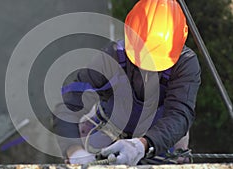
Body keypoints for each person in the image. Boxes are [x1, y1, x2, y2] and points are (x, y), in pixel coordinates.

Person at [53, 0, 201, 165]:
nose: (149, 68)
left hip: (162, 138)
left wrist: (142, 145)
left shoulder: (185, 64)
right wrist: (74, 150)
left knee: (175, 159)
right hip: (110, 130)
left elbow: (179, 115)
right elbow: (69, 104)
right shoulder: (112, 57)